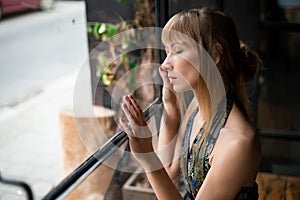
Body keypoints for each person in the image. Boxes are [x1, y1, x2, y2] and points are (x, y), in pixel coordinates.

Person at [119, 8, 262, 200]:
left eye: (177, 51)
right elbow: (168, 172)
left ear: (214, 55)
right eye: (167, 52)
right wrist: (169, 106)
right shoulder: (197, 107)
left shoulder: (238, 141)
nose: (164, 65)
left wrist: (147, 157)